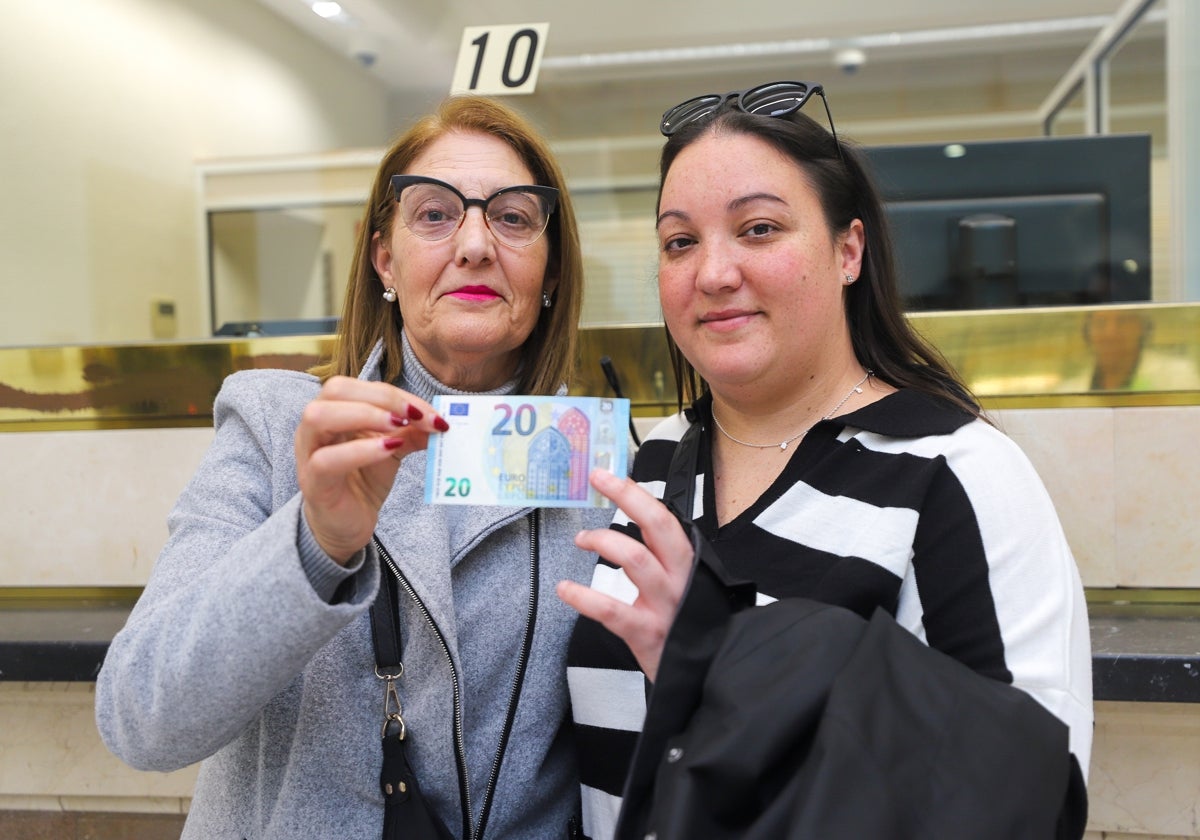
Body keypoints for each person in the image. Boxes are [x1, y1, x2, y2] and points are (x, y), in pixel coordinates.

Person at [557, 81, 1093, 840]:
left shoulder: (957, 473)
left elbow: (1030, 797)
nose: (712, 272)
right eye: (680, 242)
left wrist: (721, 662)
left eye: (760, 229)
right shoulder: (654, 462)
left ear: (848, 250)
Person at [95, 95, 612, 840]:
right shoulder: (277, 427)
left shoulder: (597, 466)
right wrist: (315, 543)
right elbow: (140, 721)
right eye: (434, 214)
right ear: (384, 260)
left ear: (552, 268)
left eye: (513, 217)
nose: (473, 244)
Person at [1058, 307, 1200, 392]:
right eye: (1101, 323)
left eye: (1123, 321)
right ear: (1087, 333)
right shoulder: (1071, 389)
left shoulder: (1178, 376)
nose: (1111, 333)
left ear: (1142, 328)